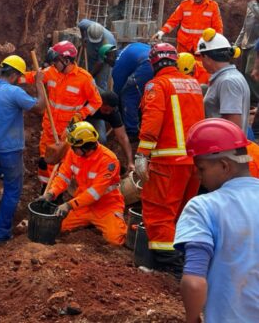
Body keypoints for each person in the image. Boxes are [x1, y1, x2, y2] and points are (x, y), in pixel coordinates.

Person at [174, 118, 259, 323]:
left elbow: (194, 282)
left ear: (224, 166)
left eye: (201, 168)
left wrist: (192, 318)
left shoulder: (203, 207)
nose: (197, 175)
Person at [136, 43, 205, 275]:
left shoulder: (157, 85)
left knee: (159, 214)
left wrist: (142, 155)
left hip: (167, 163)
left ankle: (170, 271)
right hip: (194, 163)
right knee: (181, 213)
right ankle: (187, 265)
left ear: (154, 63)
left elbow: (153, 120)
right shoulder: (193, 84)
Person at [0, 55, 46, 244]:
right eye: (19, 77)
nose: (19, 81)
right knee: (13, 190)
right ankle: (1, 233)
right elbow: (39, 108)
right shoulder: (14, 92)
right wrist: (39, 84)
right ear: (13, 74)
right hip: (10, 148)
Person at [20, 41, 102, 187]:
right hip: (49, 129)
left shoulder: (85, 79)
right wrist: (12, 76)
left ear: (67, 60)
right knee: (45, 161)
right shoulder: (51, 72)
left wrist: (80, 115)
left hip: (67, 132)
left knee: (64, 164)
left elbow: (96, 102)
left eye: (56, 61)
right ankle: (45, 189)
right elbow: (33, 76)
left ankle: (58, 192)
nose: (53, 64)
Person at [39, 121, 127, 245]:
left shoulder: (109, 161)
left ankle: (101, 224)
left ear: (86, 146)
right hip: (82, 205)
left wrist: (69, 205)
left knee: (115, 240)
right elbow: (63, 177)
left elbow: (95, 193)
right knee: (57, 227)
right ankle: (88, 223)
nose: (72, 149)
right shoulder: (73, 153)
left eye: (75, 147)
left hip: (106, 207)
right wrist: (51, 193)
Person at [196, 28, 250, 135]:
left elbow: (233, 126)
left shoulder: (228, 82)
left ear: (206, 57)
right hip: (221, 148)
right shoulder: (228, 78)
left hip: (224, 149)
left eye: (200, 57)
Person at [153, 0, 223, 54]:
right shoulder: (184, 5)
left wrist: (215, 44)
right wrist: (162, 32)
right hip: (184, 46)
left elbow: (218, 28)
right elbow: (173, 21)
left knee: (200, 66)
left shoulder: (213, 6)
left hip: (202, 47)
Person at [111, 42, 153, 138]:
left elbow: (117, 93)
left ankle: (132, 131)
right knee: (147, 95)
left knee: (128, 95)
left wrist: (118, 112)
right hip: (156, 59)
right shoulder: (129, 47)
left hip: (146, 65)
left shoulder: (118, 65)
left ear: (108, 57)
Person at [85, 90, 134, 172]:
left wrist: (130, 162)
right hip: (79, 114)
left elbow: (122, 137)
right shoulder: (88, 99)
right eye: (105, 110)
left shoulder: (113, 113)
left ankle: (94, 163)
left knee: (100, 139)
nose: (108, 113)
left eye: (110, 111)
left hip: (95, 119)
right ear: (100, 103)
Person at [77, 19, 117, 90]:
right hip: (92, 47)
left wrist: (90, 76)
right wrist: (83, 38)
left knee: (101, 79)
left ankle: (101, 96)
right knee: (90, 66)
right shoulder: (86, 25)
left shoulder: (107, 43)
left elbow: (100, 63)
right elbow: (81, 26)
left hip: (106, 56)